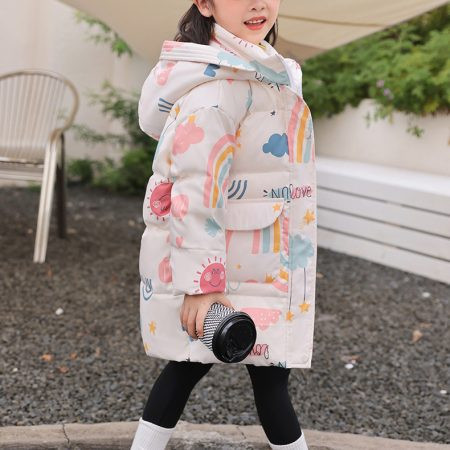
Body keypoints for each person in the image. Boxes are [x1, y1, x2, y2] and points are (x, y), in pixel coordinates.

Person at [131, 0, 317, 448]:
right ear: (205, 3)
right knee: (192, 367)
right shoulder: (215, 92)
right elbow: (194, 191)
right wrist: (202, 284)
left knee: (260, 376)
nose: (257, 4)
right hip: (224, 270)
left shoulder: (263, 74)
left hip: (261, 263)